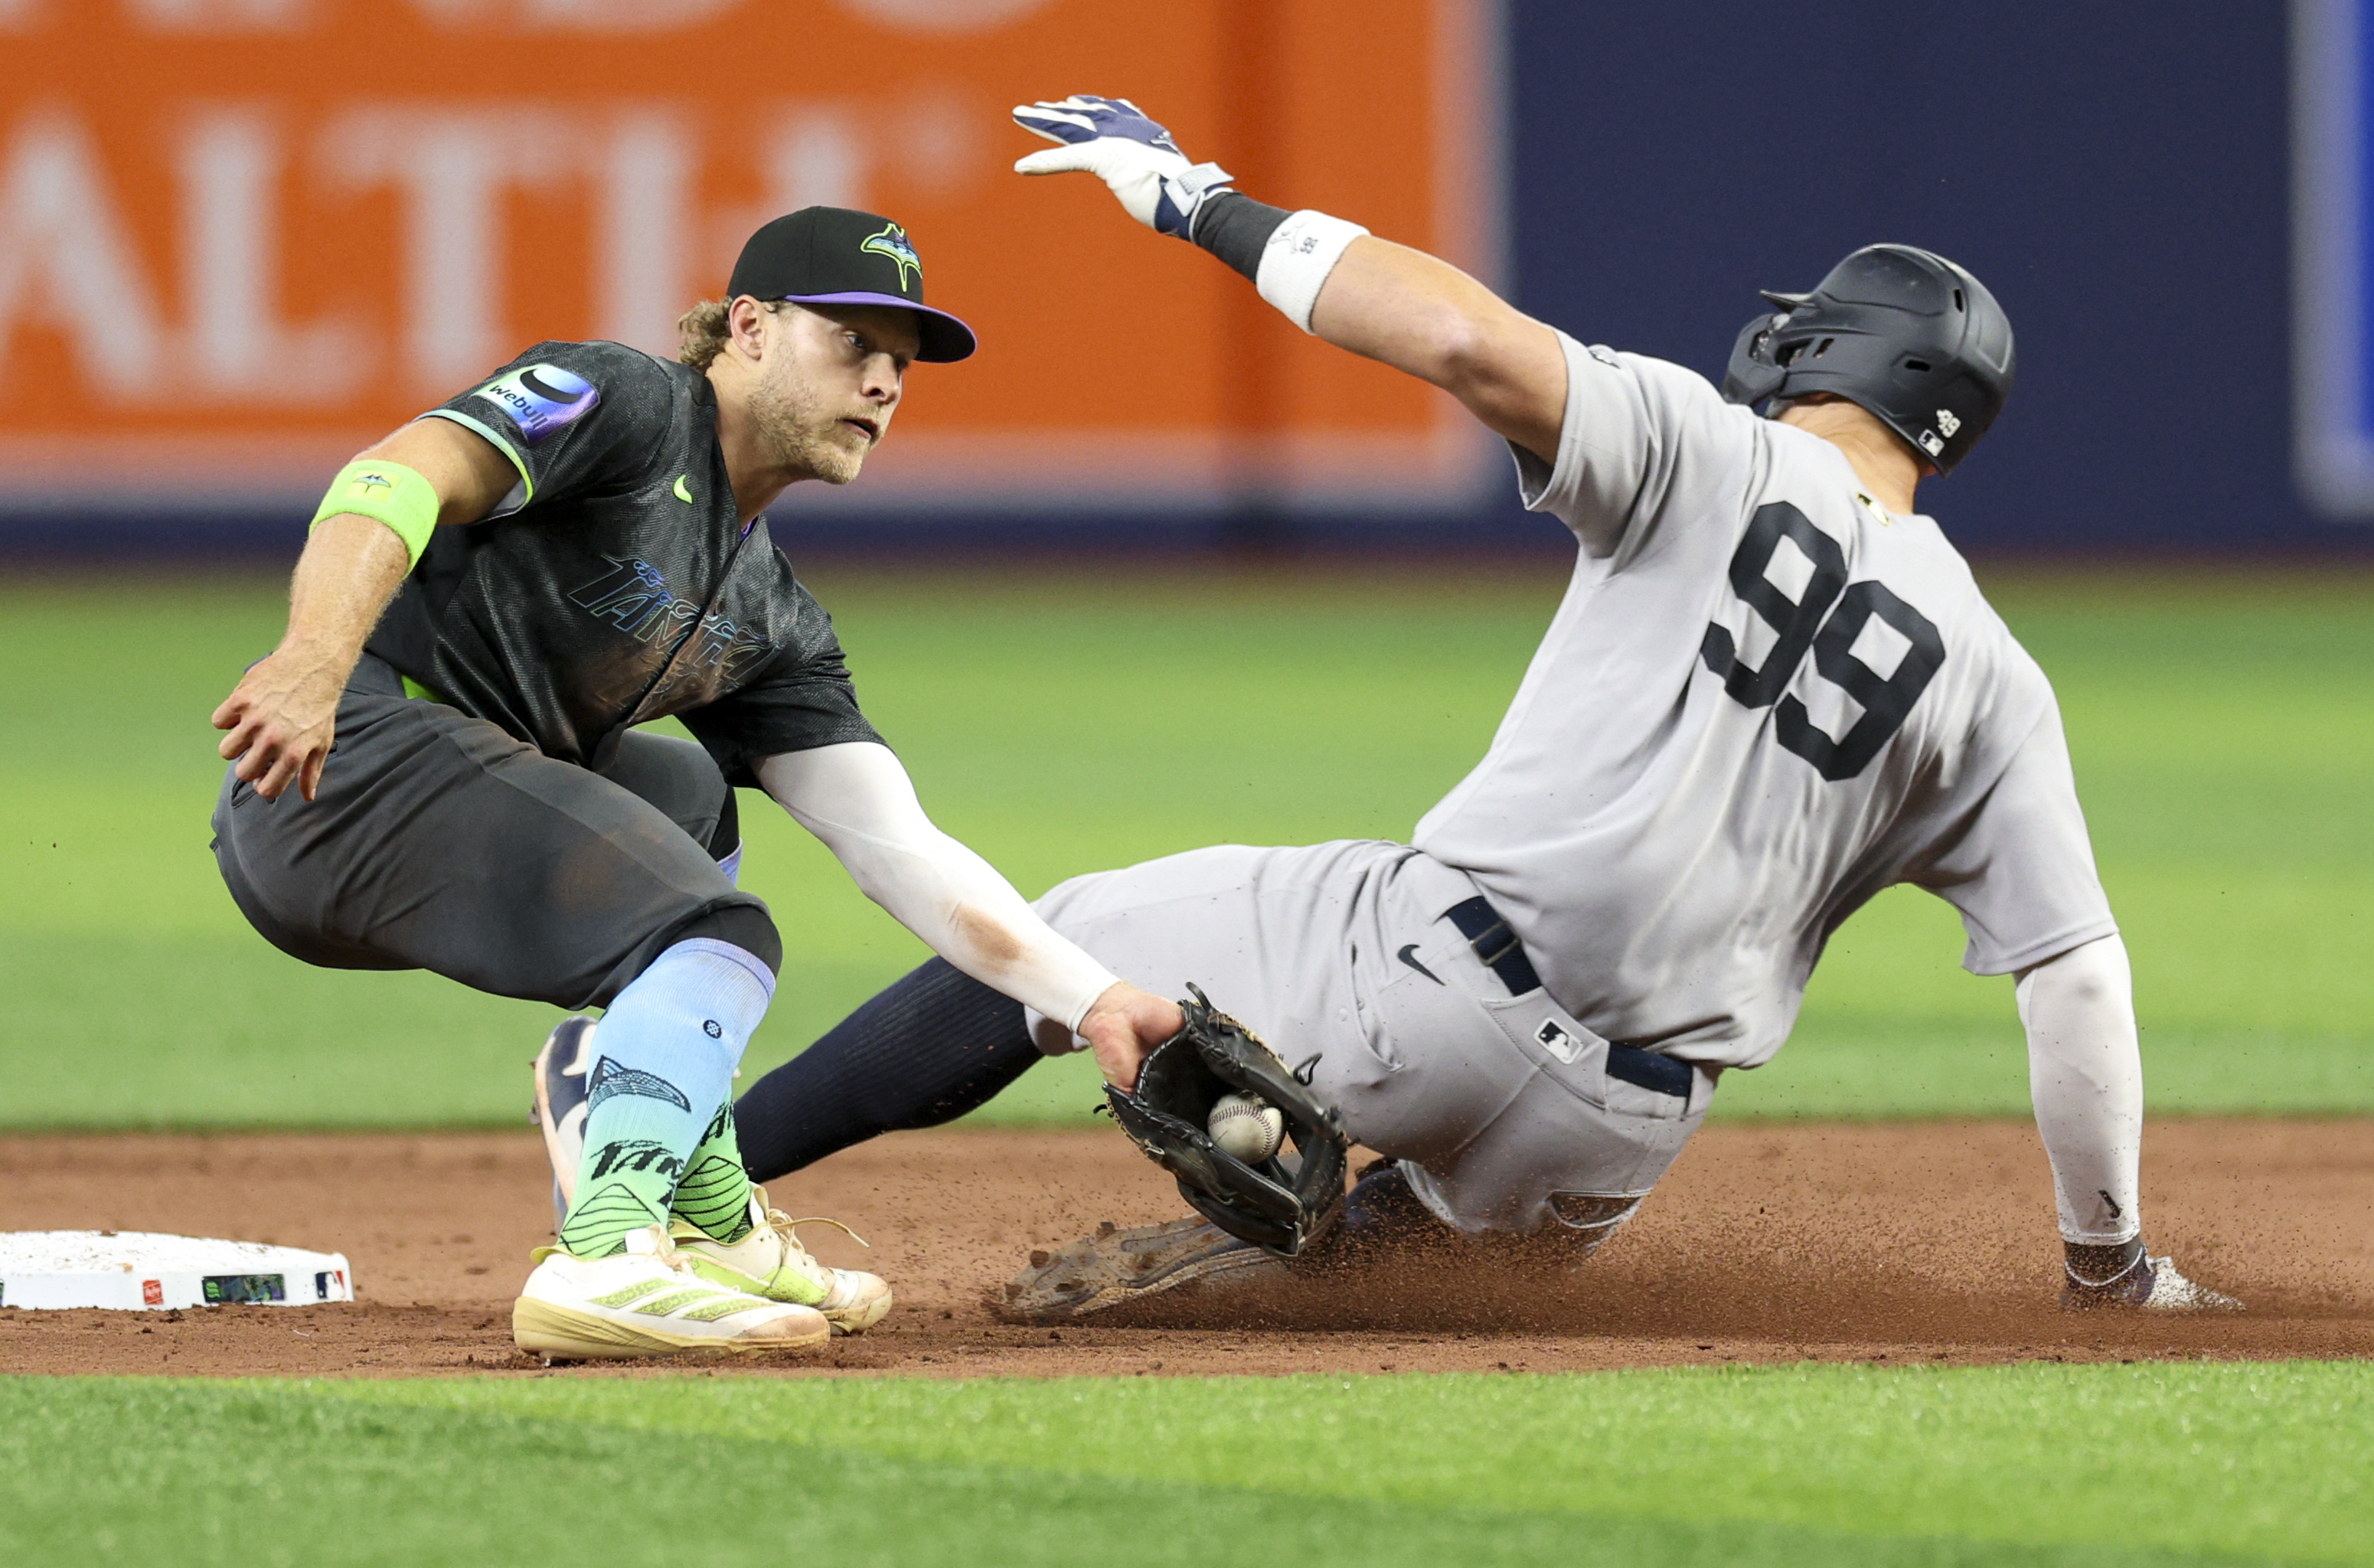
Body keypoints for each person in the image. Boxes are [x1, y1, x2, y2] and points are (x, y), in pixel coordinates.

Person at [721, 98, 2236, 1320]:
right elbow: (2078, 982)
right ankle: (1305, 1266)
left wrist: (1198, 199)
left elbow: (1459, 340)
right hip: (1623, 1127)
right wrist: (2104, 1260)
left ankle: (683, 1174)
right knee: (1398, 1286)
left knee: (1047, 944)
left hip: (1426, 970)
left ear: (1835, 353)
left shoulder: (1712, 447)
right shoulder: (1994, 677)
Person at [207, 204, 1184, 1360]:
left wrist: (1092, 998)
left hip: (453, 798)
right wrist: (313, 660)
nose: (882, 382)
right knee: (716, 929)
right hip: (337, 768)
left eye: (900, 363)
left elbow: (892, 842)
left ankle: (701, 1215)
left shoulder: (766, 610)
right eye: (852, 343)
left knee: (688, 802)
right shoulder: (624, 400)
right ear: (751, 326)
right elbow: (399, 470)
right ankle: (608, 1252)